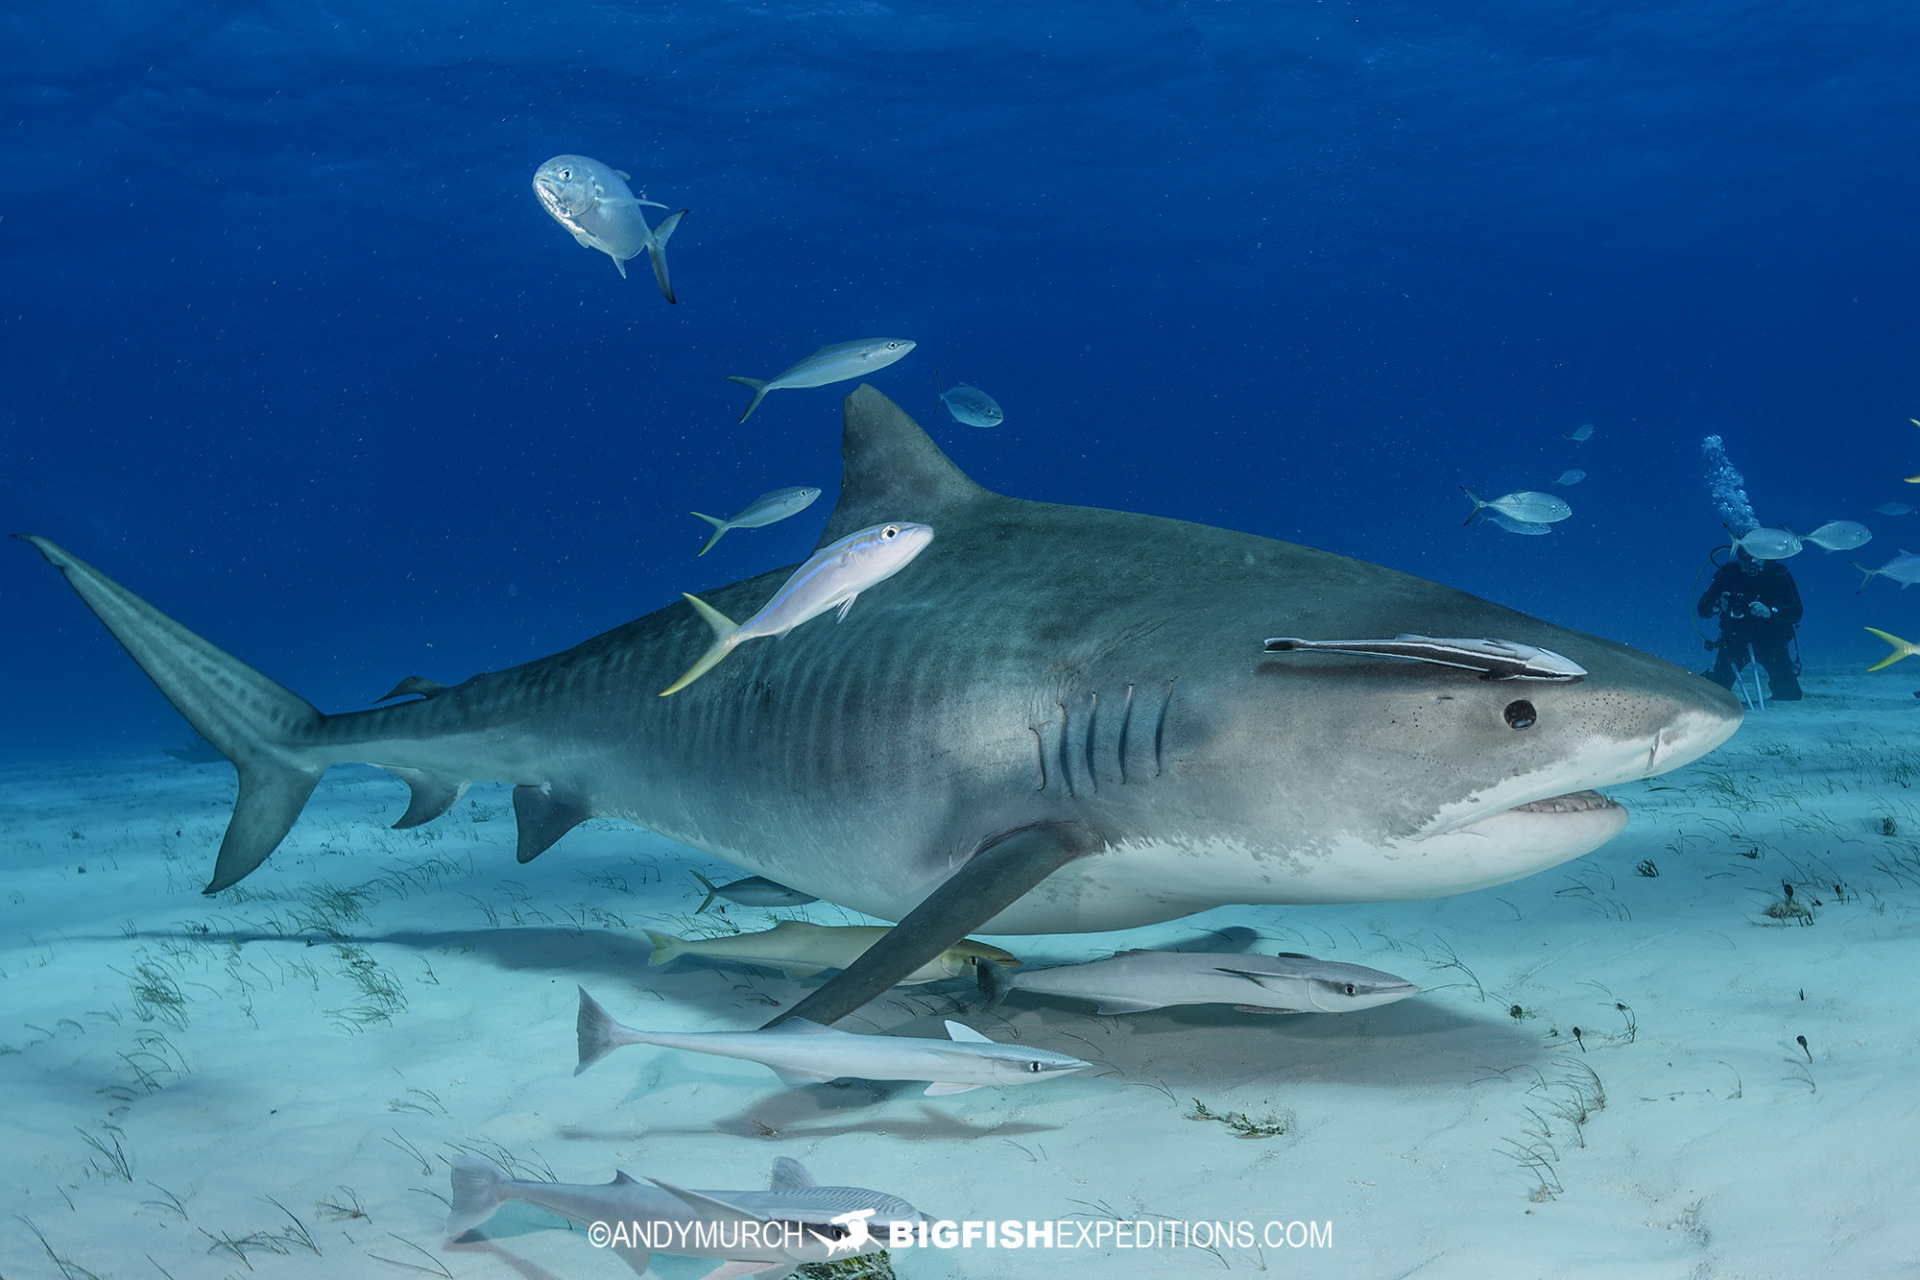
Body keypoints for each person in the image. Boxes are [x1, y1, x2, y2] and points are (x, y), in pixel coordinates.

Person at [1696, 547, 1803, 700]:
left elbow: (1797, 612)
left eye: (1756, 555)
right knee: (1716, 695)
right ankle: (1701, 681)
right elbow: (1702, 609)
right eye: (1743, 554)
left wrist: (1771, 612)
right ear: (1737, 553)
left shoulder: (1778, 573)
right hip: (1734, 642)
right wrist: (1718, 604)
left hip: (1772, 642)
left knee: (1789, 694)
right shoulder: (1727, 573)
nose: (1750, 561)